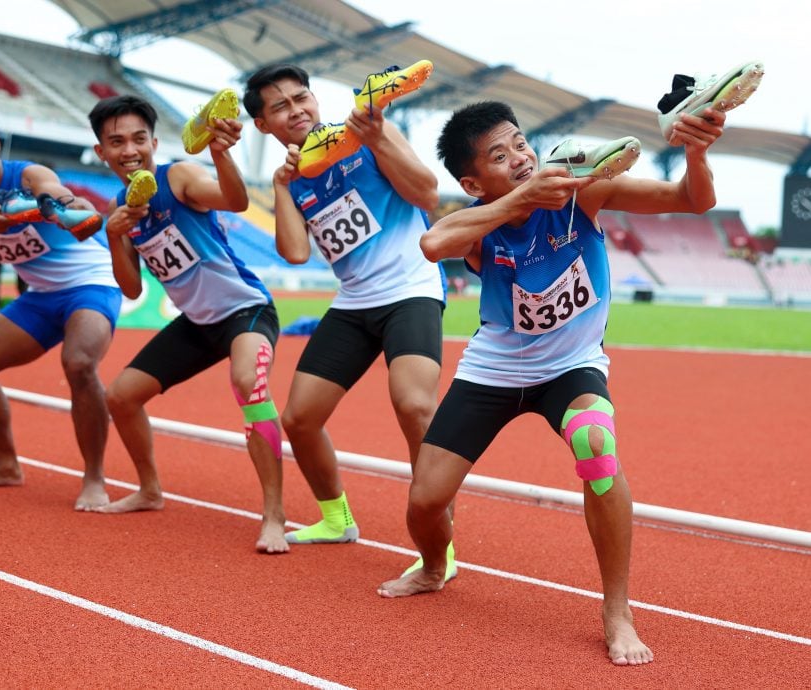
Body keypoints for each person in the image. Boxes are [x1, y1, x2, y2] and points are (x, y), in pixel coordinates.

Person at [376, 100, 729, 665]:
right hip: (495, 369)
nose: (519, 157)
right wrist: (520, 200)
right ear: (473, 181)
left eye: (520, 144)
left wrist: (696, 149)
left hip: (572, 366)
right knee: (424, 502)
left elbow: (694, 199)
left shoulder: (582, 193)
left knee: (596, 443)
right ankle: (435, 565)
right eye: (499, 155)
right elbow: (432, 244)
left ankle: (617, 611)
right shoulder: (478, 223)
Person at [243, 63, 450, 569]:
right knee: (300, 418)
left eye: (301, 98)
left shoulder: (366, 131)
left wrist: (377, 138)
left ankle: (439, 540)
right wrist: (280, 186)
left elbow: (427, 193)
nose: (296, 110)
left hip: (411, 290)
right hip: (355, 300)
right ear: (263, 125)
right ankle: (337, 519)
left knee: (414, 406)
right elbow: (294, 253)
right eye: (280, 107)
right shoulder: (293, 179)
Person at [87, 94, 288, 554]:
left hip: (245, 311)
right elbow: (132, 289)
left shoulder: (176, 177)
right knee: (121, 396)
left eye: (139, 138)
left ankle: (273, 515)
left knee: (249, 385)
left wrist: (219, 152)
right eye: (116, 142)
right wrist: (115, 234)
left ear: (154, 142)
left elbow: (235, 201)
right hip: (198, 323)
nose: (130, 150)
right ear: (102, 152)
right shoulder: (121, 205)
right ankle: (150, 490)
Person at [0, 100, 121, 510]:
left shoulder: (28, 175)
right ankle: (6, 465)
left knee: (80, 363)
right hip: (40, 297)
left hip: (90, 284)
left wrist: (58, 205)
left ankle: (94, 478)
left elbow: (57, 192)